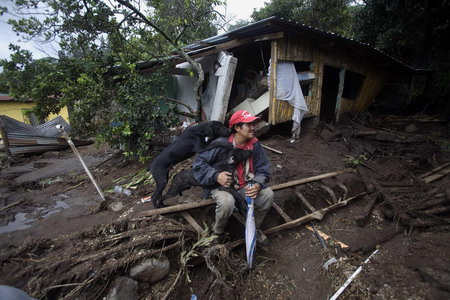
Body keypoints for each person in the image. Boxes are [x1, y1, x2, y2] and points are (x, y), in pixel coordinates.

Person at [192, 110, 274, 245]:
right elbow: (198, 164)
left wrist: (258, 184)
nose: (253, 127)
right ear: (237, 128)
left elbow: (263, 170)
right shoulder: (221, 143)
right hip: (221, 186)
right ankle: (217, 232)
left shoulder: (254, 144)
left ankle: (253, 228)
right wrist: (216, 175)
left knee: (268, 195)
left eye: (253, 124)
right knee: (226, 203)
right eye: (248, 125)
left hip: (244, 185)